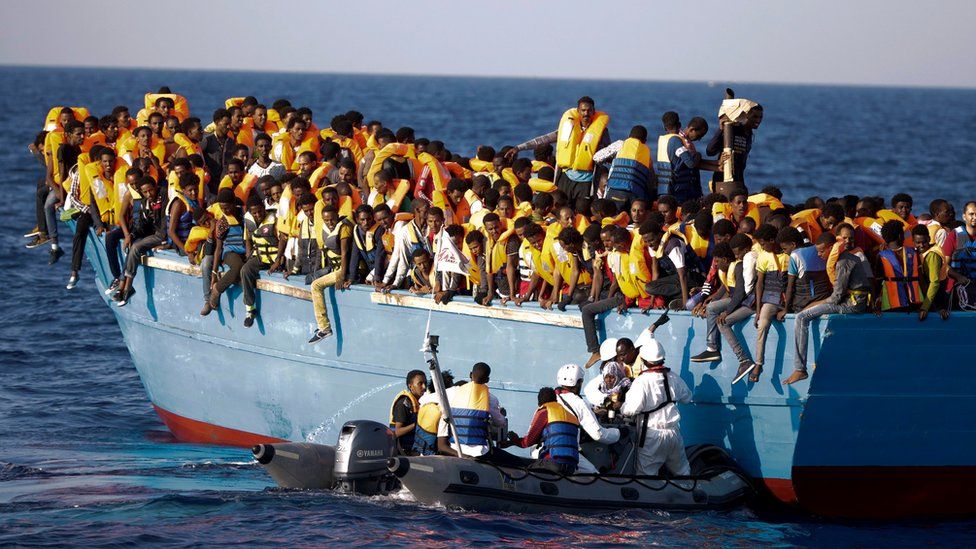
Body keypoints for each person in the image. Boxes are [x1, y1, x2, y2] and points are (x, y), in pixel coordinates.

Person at [786, 232, 873, 385]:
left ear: (831, 248)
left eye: (821, 251)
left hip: (852, 304)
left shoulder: (843, 262)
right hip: (850, 301)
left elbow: (836, 298)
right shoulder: (844, 257)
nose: (819, 254)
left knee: (801, 317)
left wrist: (814, 304)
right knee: (806, 312)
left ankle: (800, 369)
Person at [621, 340, 692, 476]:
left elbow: (631, 409)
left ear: (643, 360)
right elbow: (687, 397)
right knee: (683, 472)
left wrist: (622, 407)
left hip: (651, 435)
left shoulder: (642, 381)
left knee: (646, 477)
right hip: (674, 433)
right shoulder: (674, 377)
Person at [691, 238, 757, 380]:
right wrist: (705, 305)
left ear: (726, 260)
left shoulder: (738, 267)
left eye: (717, 261)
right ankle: (712, 348)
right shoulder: (726, 269)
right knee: (712, 307)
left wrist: (727, 312)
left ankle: (742, 359)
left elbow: (739, 293)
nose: (715, 264)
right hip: (737, 300)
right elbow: (723, 289)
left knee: (722, 320)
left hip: (748, 303)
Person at [436, 363, 523, 467]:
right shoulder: (491, 399)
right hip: (480, 453)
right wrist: (501, 415)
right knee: (516, 462)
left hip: (454, 449)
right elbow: (501, 423)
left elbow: (423, 400)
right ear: (487, 380)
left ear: (470, 374)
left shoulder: (452, 393)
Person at [114, 177, 167, 306]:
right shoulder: (144, 203)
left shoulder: (164, 195)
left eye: (151, 190)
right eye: (145, 192)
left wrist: (167, 241)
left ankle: (127, 288)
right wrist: (130, 236)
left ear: (156, 187)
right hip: (154, 234)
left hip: (163, 235)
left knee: (136, 247)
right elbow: (141, 226)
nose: (149, 194)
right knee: (132, 246)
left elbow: (166, 221)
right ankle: (125, 286)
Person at [508, 387, 581, 474]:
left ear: (539, 403)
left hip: (552, 463)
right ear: (556, 400)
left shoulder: (545, 411)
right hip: (571, 467)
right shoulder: (572, 417)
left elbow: (527, 442)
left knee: (520, 467)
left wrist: (514, 440)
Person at [308, 205, 353, 343]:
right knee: (310, 278)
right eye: (326, 220)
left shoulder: (343, 228)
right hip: (334, 268)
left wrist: (342, 275)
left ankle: (325, 328)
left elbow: (345, 253)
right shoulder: (326, 229)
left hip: (343, 269)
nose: (330, 223)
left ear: (337, 216)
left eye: (332, 220)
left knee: (316, 285)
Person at [241, 195, 284, 327]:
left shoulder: (274, 219)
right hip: (260, 256)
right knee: (245, 270)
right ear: (250, 213)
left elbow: (282, 238)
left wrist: (278, 260)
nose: (258, 214)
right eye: (255, 212)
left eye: (260, 211)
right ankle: (250, 309)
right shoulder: (248, 221)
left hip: (275, 257)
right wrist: (249, 253)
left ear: (264, 208)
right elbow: (247, 238)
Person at [655, 115, 713, 203]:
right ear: (692, 129)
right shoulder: (678, 141)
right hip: (678, 190)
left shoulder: (667, 139)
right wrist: (698, 155)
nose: (700, 139)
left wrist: (717, 165)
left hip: (668, 188)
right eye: (699, 135)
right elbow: (691, 164)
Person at [208, 189, 247, 312]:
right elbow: (219, 249)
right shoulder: (223, 223)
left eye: (227, 208)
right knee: (237, 267)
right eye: (222, 208)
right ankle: (217, 289)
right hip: (230, 252)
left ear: (233, 203)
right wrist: (214, 273)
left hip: (246, 250)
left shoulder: (244, 214)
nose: (225, 211)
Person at [605, 125, 653, 211]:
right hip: (635, 196)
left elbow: (596, 157)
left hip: (616, 191)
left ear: (629, 136)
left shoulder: (621, 144)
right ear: (645, 141)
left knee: (612, 218)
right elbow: (650, 178)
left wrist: (613, 160)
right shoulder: (647, 154)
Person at [877, 219, 920, 312]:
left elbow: (878, 282)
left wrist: (876, 303)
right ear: (901, 236)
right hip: (914, 303)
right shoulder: (914, 253)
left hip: (891, 304)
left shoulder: (881, 256)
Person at [912, 225, 949, 321]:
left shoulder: (932, 255)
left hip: (936, 299)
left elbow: (934, 282)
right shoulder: (922, 252)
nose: (921, 245)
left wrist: (925, 307)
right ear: (913, 242)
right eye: (918, 242)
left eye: (924, 242)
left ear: (928, 238)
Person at [389, 369, 427, 454]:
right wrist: (417, 425)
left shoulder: (418, 402)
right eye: (420, 384)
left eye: (425, 383)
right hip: (402, 452)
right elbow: (397, 432)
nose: (424, 387)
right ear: (411, 386)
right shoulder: (403, 404)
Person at [951, 201, 976, 309]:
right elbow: (944, 266)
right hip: (960, 286)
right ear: (964, 216)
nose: (975, 217)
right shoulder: (954, 236)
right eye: (971, 214)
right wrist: (959, 277)